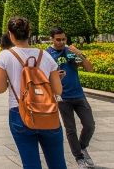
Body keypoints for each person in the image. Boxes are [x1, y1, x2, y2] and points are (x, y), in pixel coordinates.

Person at [0, 17, 66, 169]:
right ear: (29, 33)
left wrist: (12, 79)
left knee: (31, 165)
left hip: (20, 113)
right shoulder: (45, 55)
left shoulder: (5, 56)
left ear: (10, 34)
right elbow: (58, 90)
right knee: (58, 164)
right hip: (48, 113)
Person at [46, 27, 96, 169]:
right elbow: (43, 75)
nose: (62, 42)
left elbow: (89, 68)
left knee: (90, 125)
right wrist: (55, 74)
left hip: (78, 94)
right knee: (71, 129)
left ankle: (81, 146)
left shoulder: (71, 51)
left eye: (64, 39)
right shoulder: (47, 54)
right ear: (52, 39)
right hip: (62, 96)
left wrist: (79, 54)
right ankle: (79, 158)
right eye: (58, 39)